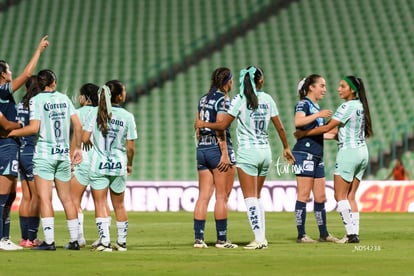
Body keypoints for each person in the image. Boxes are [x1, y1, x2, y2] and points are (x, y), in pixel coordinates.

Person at [195, 66, 295, 249]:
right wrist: (286, 147)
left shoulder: (239, 99)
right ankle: (262, 237)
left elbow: (223, 124)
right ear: (260, 81)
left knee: (250, 199)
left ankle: (258, 239)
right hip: (266, 152)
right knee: (257, 197)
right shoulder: (268, 98)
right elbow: (280, 127)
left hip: (248, 153)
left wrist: (202, 124)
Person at [8, 69, 83, 250]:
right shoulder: (65, 99)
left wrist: (12, 132)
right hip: (62, 154)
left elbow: (33, 128)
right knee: (67, 199)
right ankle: (74, 241)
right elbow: (78, 125)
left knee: (45, 199)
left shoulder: (35, 100)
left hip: (44, 156)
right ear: (54, 83)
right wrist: (78, 148)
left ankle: (49, 242)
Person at [295, 75, 373, 244]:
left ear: (351, 90)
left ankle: (351, 235)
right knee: (351, 195)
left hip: (348, 153)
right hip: (362, 152)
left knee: (340, 196)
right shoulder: (360, 106)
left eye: (342, 86)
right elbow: (337, 133)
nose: (338, 89)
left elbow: (327, 127)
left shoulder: (345, 106)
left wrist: (303, 134)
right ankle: (354, 233)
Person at [0, 35, 49, 250]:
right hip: (10, 147)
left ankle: (8, 238)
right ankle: (4, 239)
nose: (11, 73)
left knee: (10, 196)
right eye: (9, 70)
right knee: (6, 196)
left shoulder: (9, 99)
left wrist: (11, 125)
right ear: (2, 75)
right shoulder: (2, 90)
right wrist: (38, 50)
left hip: (12, 148)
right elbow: (28, 74)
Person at [82, 80, 137, 252]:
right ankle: (121, 243)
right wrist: (129, 164)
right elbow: (130, 147)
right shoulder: (128, 117)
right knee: (119, 205)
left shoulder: (96, 114)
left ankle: (105, 242)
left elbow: (84, 139)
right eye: (124, 91)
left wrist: (94, 144)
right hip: (118, 164)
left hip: (98, 164)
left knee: (100, 203)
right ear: (119, 96)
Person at [193, 67, 237, 249]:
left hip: (202, 147)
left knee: (203, 196)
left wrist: (202, 140)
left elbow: (197, 125)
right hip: (217, 148)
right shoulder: (223, 99)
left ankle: (199, 239)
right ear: (227, 82)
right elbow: (220, 126)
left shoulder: (203, 99)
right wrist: (225, 153)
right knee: (221, 197)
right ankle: (221, 239)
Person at [292, 75, 338, 243]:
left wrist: (332, 135)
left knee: (321, 197)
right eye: (322, 85)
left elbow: (312, 133)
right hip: (303, 154)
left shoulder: (315, 106)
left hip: (317, 155)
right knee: (303, 195)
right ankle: (301, 234)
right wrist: (318, 114)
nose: (324, 89)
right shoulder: (304, 104)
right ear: (311, 87)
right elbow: (298, 121)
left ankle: (324, 234)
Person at [68, 83, 111, 248]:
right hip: (99, 162)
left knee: (74, 201)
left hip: (81, 162)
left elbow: (75, 138)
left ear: (85, 97)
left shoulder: (76, 113)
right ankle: (103, 236)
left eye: (80, 95)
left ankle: (79, 238)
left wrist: (71, 162)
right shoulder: (101, 113)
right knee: (101, 202)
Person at [17, 76, 42, 248]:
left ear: (26, 88)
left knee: (26, 197)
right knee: (38, 197)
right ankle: (32, 238)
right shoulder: (37, 105)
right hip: (31, 153)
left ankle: (24, 238)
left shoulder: (18, 105)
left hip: (18, 152)